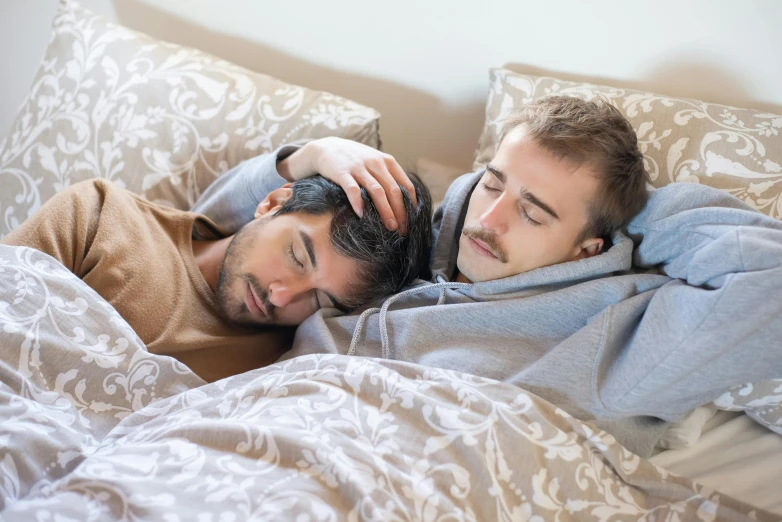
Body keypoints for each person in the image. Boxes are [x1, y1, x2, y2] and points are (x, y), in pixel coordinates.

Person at [193, 95, 782, 457]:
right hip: (252, 425)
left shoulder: (617, 332)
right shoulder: (424, 244)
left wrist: (635, 208)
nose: (491, 218)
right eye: (494, 183)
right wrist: (310, 156)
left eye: (533, 210)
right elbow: (215, 225)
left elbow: (771, 284)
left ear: (586, 248)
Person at [2, 172, 433, 383]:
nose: (282, 298)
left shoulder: (285, 361)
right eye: (297, 258)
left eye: (319, 300)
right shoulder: (100, 215)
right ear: (272, 203)